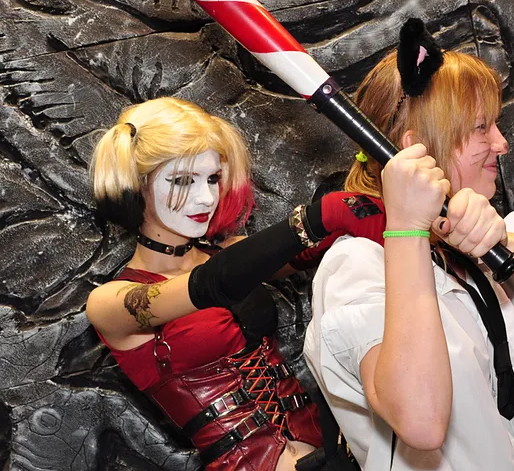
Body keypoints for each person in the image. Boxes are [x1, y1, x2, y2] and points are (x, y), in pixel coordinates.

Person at [303, 22, 514, 471]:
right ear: (416, 150)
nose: (502, 143)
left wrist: (503, 240)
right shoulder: (356, 266)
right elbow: (421, 422)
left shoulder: (471, 243)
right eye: (481, 128)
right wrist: (407, 230)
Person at [86, 97, 335, 471]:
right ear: (136, 186)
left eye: (213, 178)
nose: (206, 198)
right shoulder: (111, 303)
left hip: (328, 443)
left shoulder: (229, 254)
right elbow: (209, 285)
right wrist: (314, 221)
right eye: (182, 180)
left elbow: (309, 250)